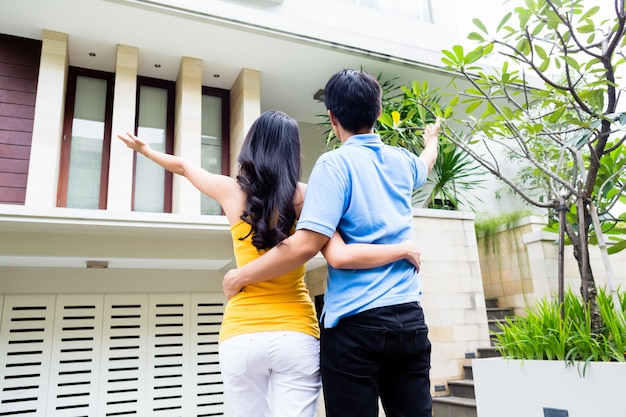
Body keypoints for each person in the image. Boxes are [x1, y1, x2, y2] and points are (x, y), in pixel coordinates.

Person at [117, 109, 423, 417]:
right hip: (296, 333)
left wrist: (146, 151)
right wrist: (401, 248)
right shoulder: (306, 196)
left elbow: (184, 167)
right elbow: (340, 253)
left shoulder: (229, 191)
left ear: (252, 144)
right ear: (293, 152)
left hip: (241, 334)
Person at [222, 71, 441, 417]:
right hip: (408, 321)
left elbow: (308, 246)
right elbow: (425, 164)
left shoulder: (333, 166)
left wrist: (240, 276)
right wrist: (432, 140)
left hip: (355, 328)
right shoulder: (402, 162)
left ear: (332, 118)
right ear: (379, 112)